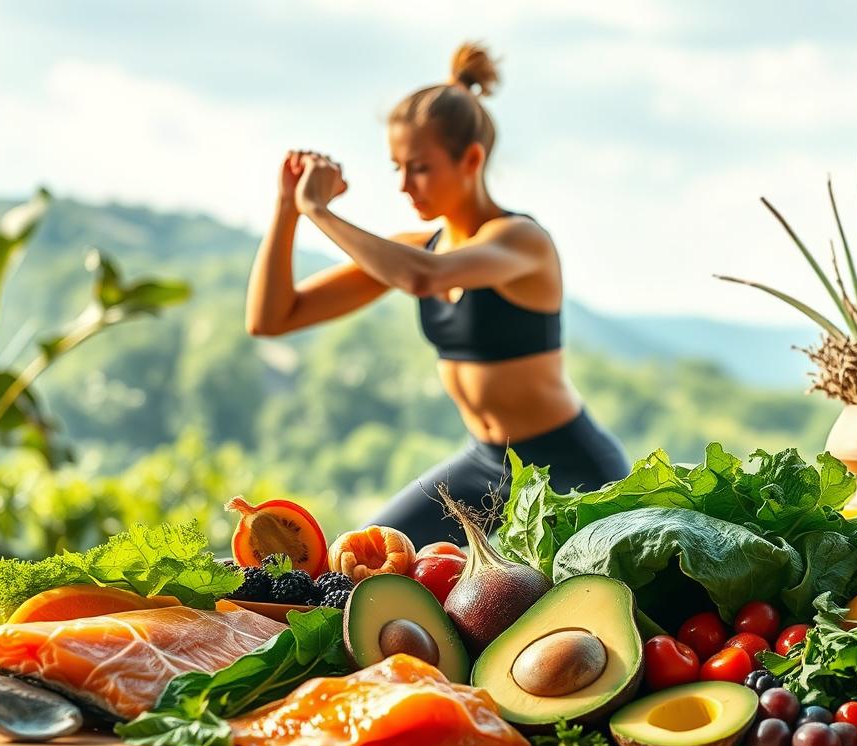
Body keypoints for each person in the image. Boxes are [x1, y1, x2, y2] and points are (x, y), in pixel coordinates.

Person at [245, 42, 630, 545]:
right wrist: (287, 208)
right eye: (397, 167)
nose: (405, 184)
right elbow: (272, 318)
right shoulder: (415, 248)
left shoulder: (520, 241)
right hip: (483, 465)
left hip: (568, 471)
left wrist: (321, 211)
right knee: (359, 561)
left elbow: (426, 277)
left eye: (420, 167)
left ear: (470, 159)